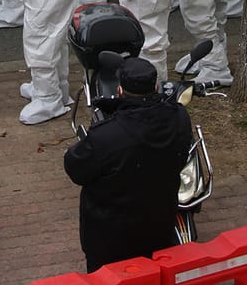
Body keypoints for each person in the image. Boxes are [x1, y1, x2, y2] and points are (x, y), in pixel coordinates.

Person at [63, 57, 192, 273]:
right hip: (160, 225)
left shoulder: (105, 136)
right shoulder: (179, 117)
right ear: (156, 87)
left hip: (109, 239)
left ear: (120, 90)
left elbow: (75, 168)